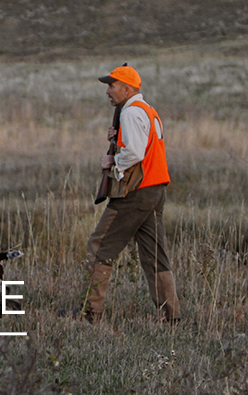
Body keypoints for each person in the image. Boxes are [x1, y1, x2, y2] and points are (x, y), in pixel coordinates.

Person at [82, 64, 180, 322]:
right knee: (155, 255)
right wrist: (118, 138)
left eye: (111, 86)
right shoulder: (147, 111)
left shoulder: (131, 113)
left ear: (126, 89)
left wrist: (112, 161)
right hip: (155, 191)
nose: (107, 91)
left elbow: (135, 152)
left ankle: (90, 313)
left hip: (135, 193)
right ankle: (172, 317)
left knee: (99, 248)